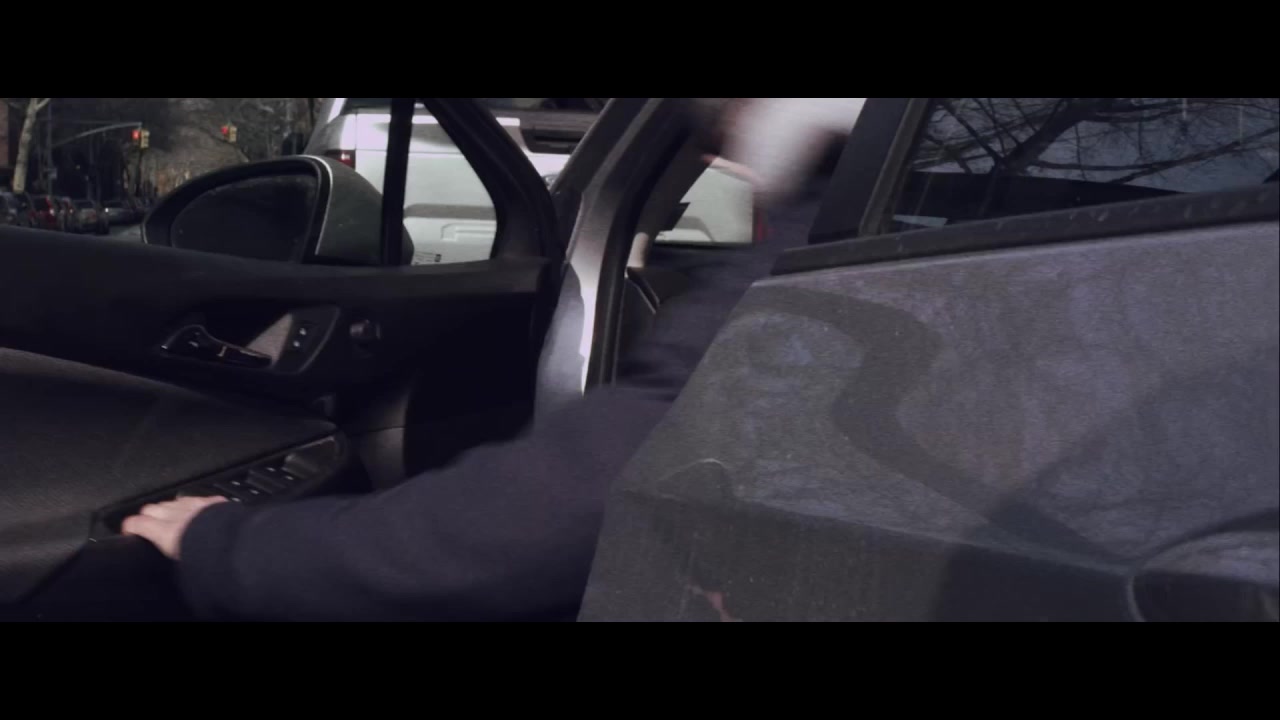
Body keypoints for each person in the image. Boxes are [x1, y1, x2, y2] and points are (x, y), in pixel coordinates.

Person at [123, 98, 864, 621]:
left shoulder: (832, 267)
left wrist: (227, 546)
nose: (712, 148)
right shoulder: (878, 231)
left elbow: (553, 521)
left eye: (720, 114)